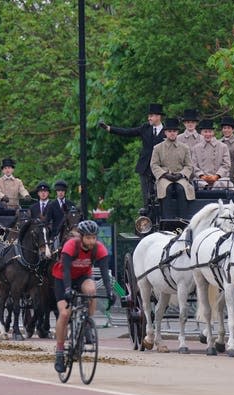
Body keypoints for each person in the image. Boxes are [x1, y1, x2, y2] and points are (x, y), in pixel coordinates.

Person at [52, 220, 114, 373]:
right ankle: (59, 352)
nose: (92, 241)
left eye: (94, 237)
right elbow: (65, 271)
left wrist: (109, 292)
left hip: (82, 276)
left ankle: (86, 323)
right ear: (81, 237)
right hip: (62, 278)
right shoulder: (71, 246)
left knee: (91, 290)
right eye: (88, 238)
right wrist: (67, 289)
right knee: (65, 313)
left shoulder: (98, 249)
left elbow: (105, 273)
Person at [99, 103, 166, 207]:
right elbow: (128, 132)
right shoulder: (145, 128)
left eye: (151, 116)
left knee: (160, 195)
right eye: (148, 116)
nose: (149, 118)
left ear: (158, 116)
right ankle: (147, 219)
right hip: (145, 167)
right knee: (146, 197)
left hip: (161, 168)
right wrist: (109, 128)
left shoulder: (167, 131)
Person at [150, 117, 195, 217]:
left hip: (180, 175)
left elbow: (189, 165)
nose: (172, 133)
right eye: (169, 131)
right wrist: (165, 174)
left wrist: (181, 174)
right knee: (167, 189)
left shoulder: (184, 147)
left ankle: (183, 219)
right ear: (165, 133)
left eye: (174, 131)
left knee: (181, 189)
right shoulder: (158, 148)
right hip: (164, 177)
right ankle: (167, 220)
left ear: (177, 133)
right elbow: (154, 164)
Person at [190, 119, 233, 190]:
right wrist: (202, 176)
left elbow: (226, 164)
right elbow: (193, 165)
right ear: (201, 133)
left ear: (213, 133)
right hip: (201, 179)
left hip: (220, 179)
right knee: (197, 184)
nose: (208, 134)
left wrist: (216, 176)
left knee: (220, 184)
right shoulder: (196, 148)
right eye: (205, 132)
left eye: (210, 132)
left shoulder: (223, 146)